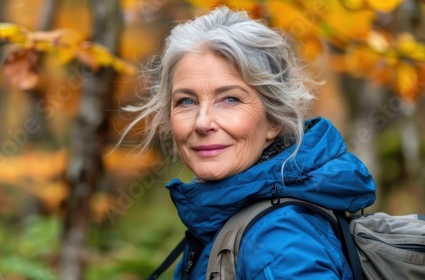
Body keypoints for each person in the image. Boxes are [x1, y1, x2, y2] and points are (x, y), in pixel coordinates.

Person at [121, 6, 376, 279]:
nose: (202, 122)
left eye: (230, 99)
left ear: (274, 120)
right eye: (186, 101)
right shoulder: (226, 216)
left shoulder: (279, 240)